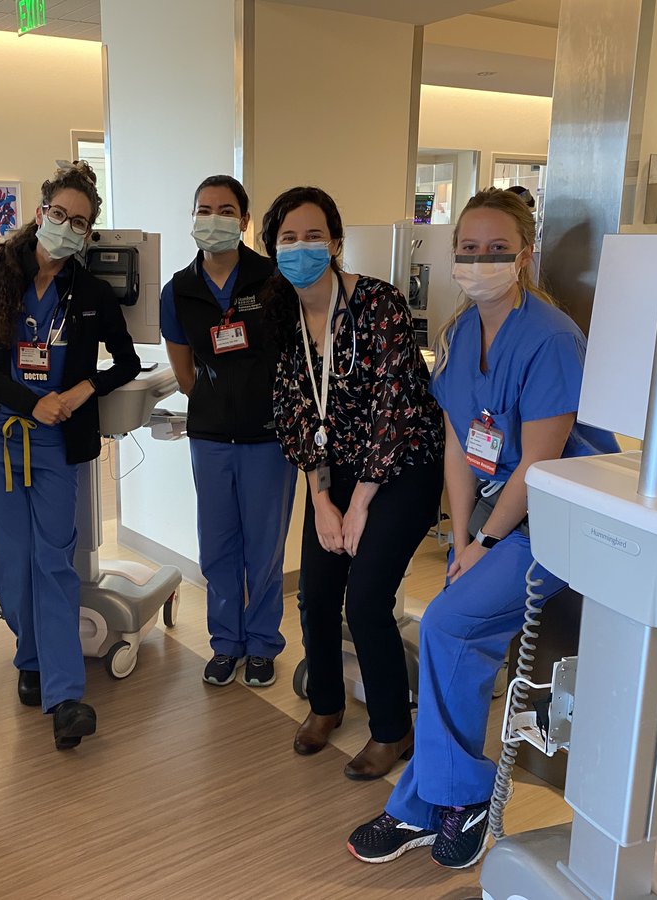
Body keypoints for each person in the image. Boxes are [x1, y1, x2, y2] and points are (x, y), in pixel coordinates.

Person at [347, 188, 619, 868]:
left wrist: (489, 542)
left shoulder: (552, 339)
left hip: (560, 517)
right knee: (451, 624)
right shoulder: (458, 333)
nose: (480, 261)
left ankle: (446, 801)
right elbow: (456, 447)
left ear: (524, 255)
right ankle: (436, 801)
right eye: (468, 250)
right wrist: (459, 539)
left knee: (447, 625)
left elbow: (539, 461)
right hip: (500, 514)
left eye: (497, 250)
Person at [262, 187, 444, 778]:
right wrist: (321, 499)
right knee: (314, 595)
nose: (300, 248)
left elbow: (396, 408)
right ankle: (327, 705)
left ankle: (394, 730)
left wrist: (359, 503)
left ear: (336, 243)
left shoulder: (378, 305)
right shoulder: (283, 321)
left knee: (365, 599)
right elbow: (296, 414)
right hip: (335, 477)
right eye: (287, 239)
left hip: (403, 472)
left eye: (313, 236)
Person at [0, 161, 140, 751]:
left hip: (60, 444)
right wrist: (29, 402)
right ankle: (31, 654)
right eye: (59, 214)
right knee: (13, 565)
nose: (67, 226)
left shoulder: (89, 294)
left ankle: (66, 696)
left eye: (80, 222)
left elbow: (127, 362)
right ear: (41, 215)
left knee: (54, 561)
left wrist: (81, 391)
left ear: (89, 234)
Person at [160, 175, 294, 689]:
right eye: (204, 209)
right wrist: (216, 402)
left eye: (225, 210)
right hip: (212, 436)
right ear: (192, 217)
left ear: (244, 221)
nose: (213, 218)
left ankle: (262, 644)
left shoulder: (272, 279)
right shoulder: (179, 289)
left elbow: (290, 357)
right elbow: (186, 371)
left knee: (264, 546)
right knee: (217, 546)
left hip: (268, 437)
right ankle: (225, 642)